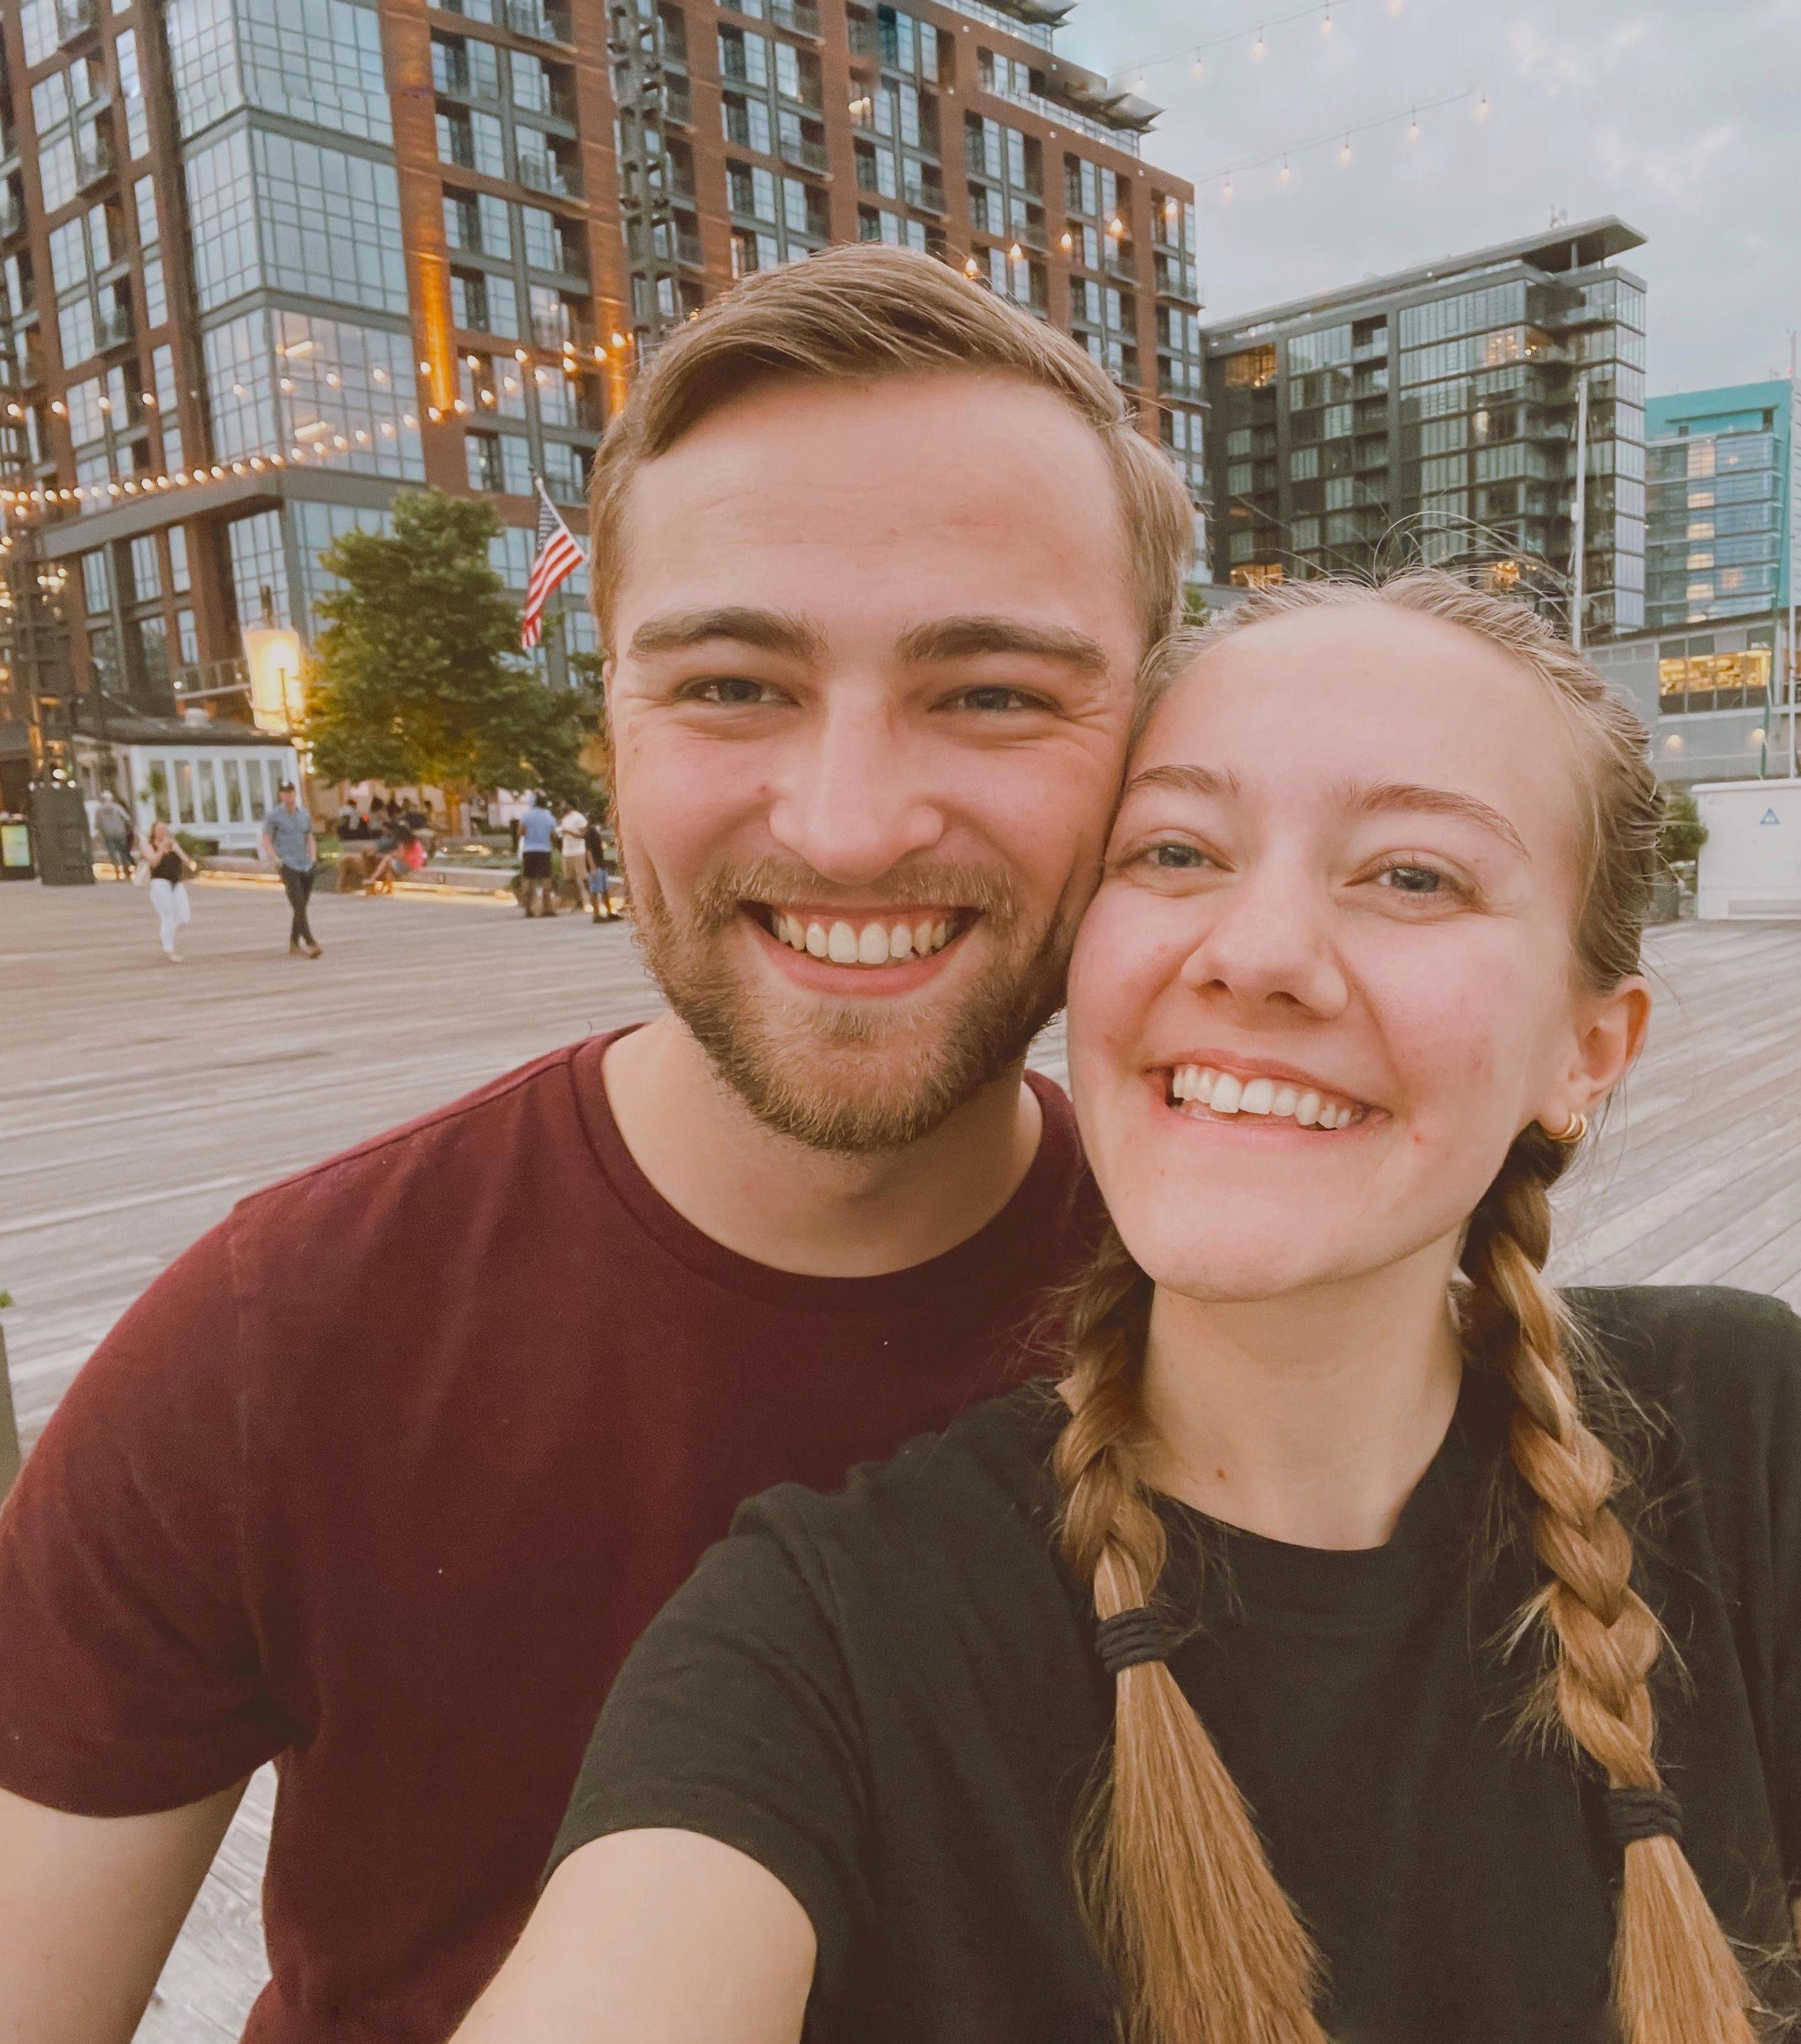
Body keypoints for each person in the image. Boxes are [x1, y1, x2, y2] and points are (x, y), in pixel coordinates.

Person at [462, 575, 1801, 2044]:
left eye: (1411, 874)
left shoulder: (1739, 1435)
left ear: (1587, 1046)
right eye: (1174, 852)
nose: (1261, 950)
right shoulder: (827, 1628)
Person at [0, 244, 1189, 2043]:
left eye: (995, 693)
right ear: (611, 731)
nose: (853, 822)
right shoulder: (277, 1344)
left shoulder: (1265, 1309)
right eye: (731, 686)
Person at [259, 783, 323, 960]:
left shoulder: (304, 815)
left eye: (291, 793)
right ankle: (310, 942)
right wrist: (275, 859)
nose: (288, 796)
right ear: (280, 795)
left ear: (295, 794)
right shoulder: (274, 816)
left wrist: (313, 858)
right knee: (298, 901)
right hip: (287, 864)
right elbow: (267, 839)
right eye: (284, 793)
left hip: (305, 864)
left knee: (302, 905)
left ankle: (294, 941)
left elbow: (309, 837)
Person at [139, 820, 196, 963]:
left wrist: (176, 849)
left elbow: (187, 862)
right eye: (159, 830)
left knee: (184, 918)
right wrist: (161, 849)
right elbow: (153, 862)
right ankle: (170, 949)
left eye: (164, 829)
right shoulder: (148, 846)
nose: (163, 832)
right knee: (168, 917)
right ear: (153, 832)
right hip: (160, 883)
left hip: (176, 883)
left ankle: (166, 937)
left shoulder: (173, 844)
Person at [518, 795, 558, 918]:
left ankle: (528, 909)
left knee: (528, 880)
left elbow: (520, 831)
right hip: (544, 851)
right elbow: (553, 835)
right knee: (546, 879)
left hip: (529, 850)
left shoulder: (526, 816)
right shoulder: (549, 817)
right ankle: (547, 909)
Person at [584, 815, 620, 924]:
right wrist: (592, 867)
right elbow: (588, 851)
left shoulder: (595, 831)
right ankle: (596, 914)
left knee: (605, 890)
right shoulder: (591, 833)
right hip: (596, 866)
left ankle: (609, 912)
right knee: (595, 890)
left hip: (600, 864)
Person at [557, 804, 590, 912]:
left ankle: (591, 898)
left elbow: (584, 834)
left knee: (583, 877)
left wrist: (569, 832)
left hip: (578, 851)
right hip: (567, 852)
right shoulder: (564, 819)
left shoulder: (578, 817)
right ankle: (578, 901)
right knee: (570, 879)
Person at [96, 792, 135, 878]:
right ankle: (122, 871)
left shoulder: (101, 810)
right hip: (116, 834)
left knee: (117, 853)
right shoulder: (116, 808)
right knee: (119, 852)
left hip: (113, 834)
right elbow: (127, 819)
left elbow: (98, 825)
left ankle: (121, 871)